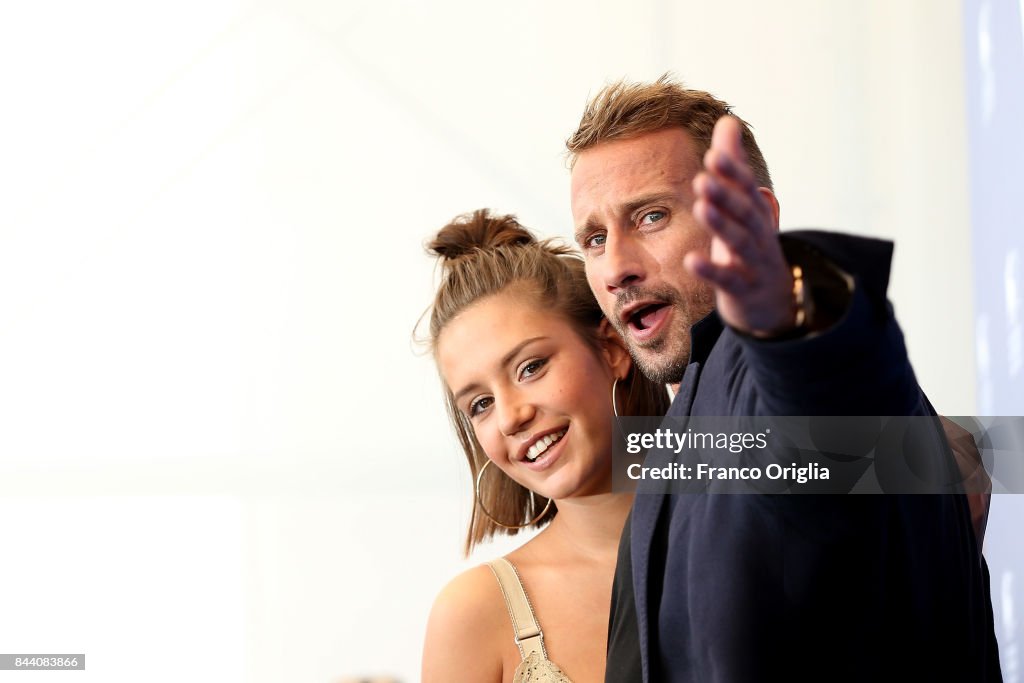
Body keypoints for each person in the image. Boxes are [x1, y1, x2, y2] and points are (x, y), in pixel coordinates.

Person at [567, 76, 1000, 681]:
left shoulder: (767, 378)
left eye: (652, 216)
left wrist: (789, 306)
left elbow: (832, 391)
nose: (615, 267)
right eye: (594, 238)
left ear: (760, 218)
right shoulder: (682, 432)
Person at [419, 209, 670, 682]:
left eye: (530, 367)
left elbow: (852, 460)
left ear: (613, 349)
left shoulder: (738, 503)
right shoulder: (474, 615)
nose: (512, 416)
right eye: (480, 404)